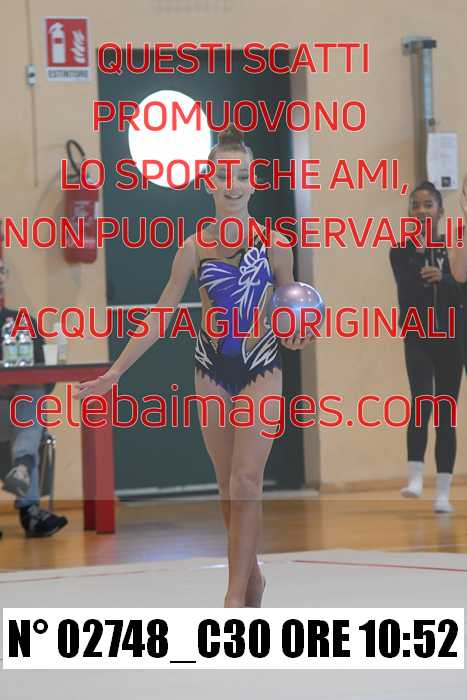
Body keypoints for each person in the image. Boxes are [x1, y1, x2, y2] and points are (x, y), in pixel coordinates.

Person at [75, 125, 313, 607]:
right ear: (208, 182)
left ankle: (233, 598)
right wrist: (116, 371)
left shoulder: (275, 245)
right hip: (211, 370)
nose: (232, 185)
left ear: (253, 182)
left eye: (241, 175)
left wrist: (298, 334)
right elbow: (161, 314)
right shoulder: (192, 248)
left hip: (261, 366)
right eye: (222, 176)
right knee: (228, 486)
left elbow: (291, 308)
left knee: (246, 480)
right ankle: (252, 576)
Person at [390, 181, 464, 513]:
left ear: (440, 211)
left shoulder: (454, 249)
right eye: (416, 205)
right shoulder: (400, 250)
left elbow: (461, 290)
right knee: (421, 400)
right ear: (410, 212)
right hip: (418, 335)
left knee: (446, 413)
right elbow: (404, 289)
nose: (421, 211)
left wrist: (444, 278)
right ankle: (415, 477)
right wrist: (418, 255)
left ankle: (443, 493)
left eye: (428, 205)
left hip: (450, 339)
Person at [0, 260, 68, 537]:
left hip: (18, 409)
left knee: (33, 393)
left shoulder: (21, 322)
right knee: (29, 407)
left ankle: (23, 474)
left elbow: (44, 375)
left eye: (1, 271)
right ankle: (25, 469)